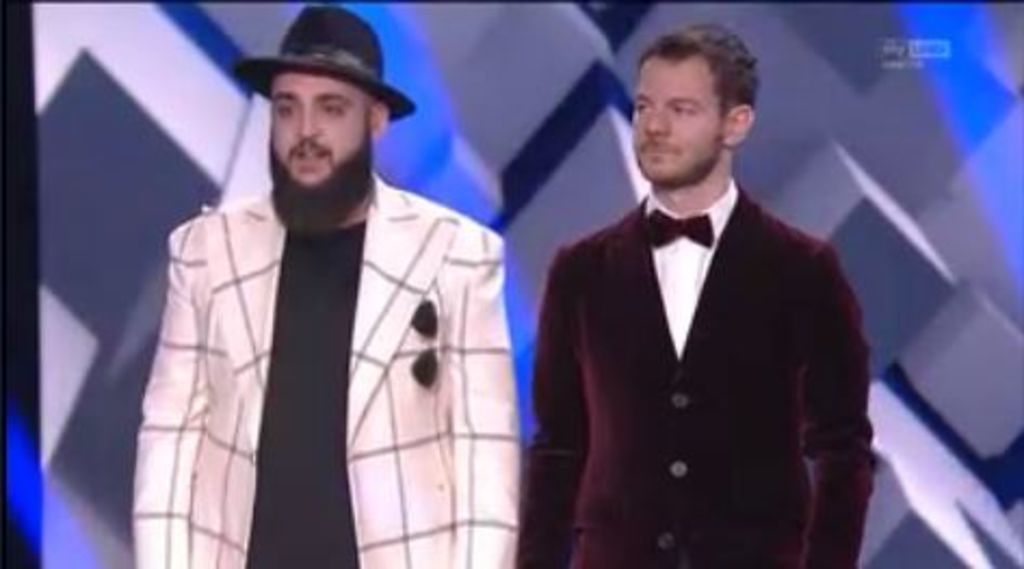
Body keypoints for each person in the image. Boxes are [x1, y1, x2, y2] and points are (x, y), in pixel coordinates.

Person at [133, 6, 520, 569]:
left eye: (331, 109)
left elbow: (485, 462)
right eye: (287, 108)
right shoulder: (205, 251)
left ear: (376, 120)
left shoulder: (456, 256)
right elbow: (169, 440)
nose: (306, 132)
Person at [517, 23, 874, 569]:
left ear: (736, 124)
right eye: (644, 107)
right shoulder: (580, 272)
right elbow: (557, 451)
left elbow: (843, 453)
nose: (654, 127)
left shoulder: (803, 270)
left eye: (681, 110)